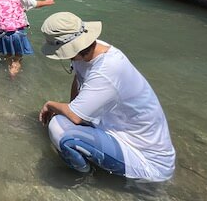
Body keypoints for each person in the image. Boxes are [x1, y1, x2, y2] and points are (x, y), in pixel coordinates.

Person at [38, 11, 175, 182]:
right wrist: (73, 106)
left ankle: (84, 178)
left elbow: (75, 115)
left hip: (146, 160)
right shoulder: (91, 51)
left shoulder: (107, 70)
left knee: (61, 132)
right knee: (62, 119)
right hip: (114, 129)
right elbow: (78, 78)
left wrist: (51, 105)